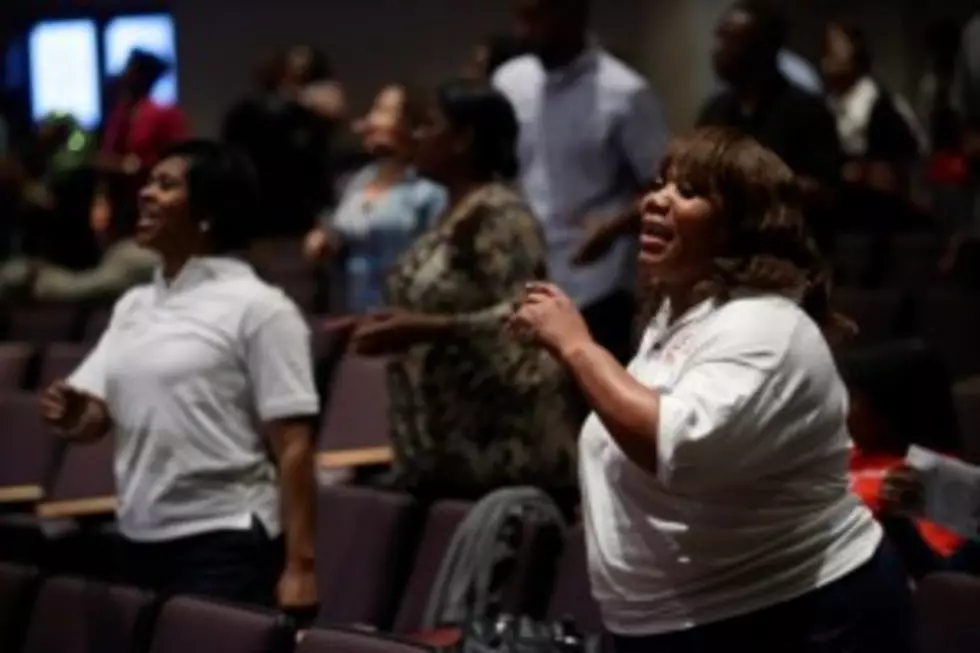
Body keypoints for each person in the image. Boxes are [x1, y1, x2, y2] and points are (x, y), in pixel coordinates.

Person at [509, 126, 913, 652]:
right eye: (659, 183)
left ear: (741, 225)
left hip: (791, 616)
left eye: (689, 191)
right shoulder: (680, 319)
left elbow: (673, 445)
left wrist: (577, 347)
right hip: (684, 620)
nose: (656, 199)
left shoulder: (765, 325)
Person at [39, 140, 319, 614]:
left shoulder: (259, 307)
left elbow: (292, 444)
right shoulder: (135, 305)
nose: (146, 194)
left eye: (166, 185)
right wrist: (74, 414)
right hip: (138, 533)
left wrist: (301, 566)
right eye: (149, 182)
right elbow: (94, 417)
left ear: (207, 212)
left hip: (224, 538)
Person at [339, 79, 579, 500]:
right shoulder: (454, 213)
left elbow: (531, 315)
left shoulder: (500, 213)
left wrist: (430, 328)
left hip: (499, 454)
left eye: (430, 126)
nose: (417, 136)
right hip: (444, 454)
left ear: (463, 140)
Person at [493, 0, 668, 364]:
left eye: (537, 19)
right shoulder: (509, 82)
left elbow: (662, 183)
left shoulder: (625, 92)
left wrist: (613, 228)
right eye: (521, 19)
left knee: (592, 405)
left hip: (596, 283)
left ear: (575, 16)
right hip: (521, 275)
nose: (524, 32)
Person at [303, 84, 445, 314]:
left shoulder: (428, 189)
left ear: (412, 124)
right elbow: (337, 233)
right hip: (351, 313)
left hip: (402, 315)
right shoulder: (357, 181)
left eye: (384, 112)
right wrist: (324, 241)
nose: (371, 121)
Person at [840, 340, 964, 577]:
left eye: (853, 399)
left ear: (889, 411)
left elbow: (933, 581)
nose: (842, 409)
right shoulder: (844, 454)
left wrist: (895, 523)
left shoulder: (939, 481)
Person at [698, 1, 842, 187]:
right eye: (720, 38)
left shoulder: (807, 112)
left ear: (764, 49)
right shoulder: (715, 111)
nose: (719, 51)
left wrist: (767, 182)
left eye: (733, 41)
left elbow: (826, 189)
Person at [822, 20, 923, 194]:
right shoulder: (829, 104)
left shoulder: (878, 104)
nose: (830, 51)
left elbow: (907, 154)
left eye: (838, 43)